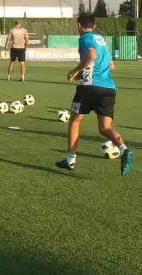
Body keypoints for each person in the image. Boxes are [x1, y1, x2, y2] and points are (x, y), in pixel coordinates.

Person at [56, 14, 134, 175]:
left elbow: (91, 56)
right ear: (94, 26)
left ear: (79, 26)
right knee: (105, 128)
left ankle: (70, 160)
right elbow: (110, 65)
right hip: (109, 88)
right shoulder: (102, 41)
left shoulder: (85, 38)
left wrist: (75, 71)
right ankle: (124, 149)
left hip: (90, 87)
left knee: (75, 121)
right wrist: (83, 72)